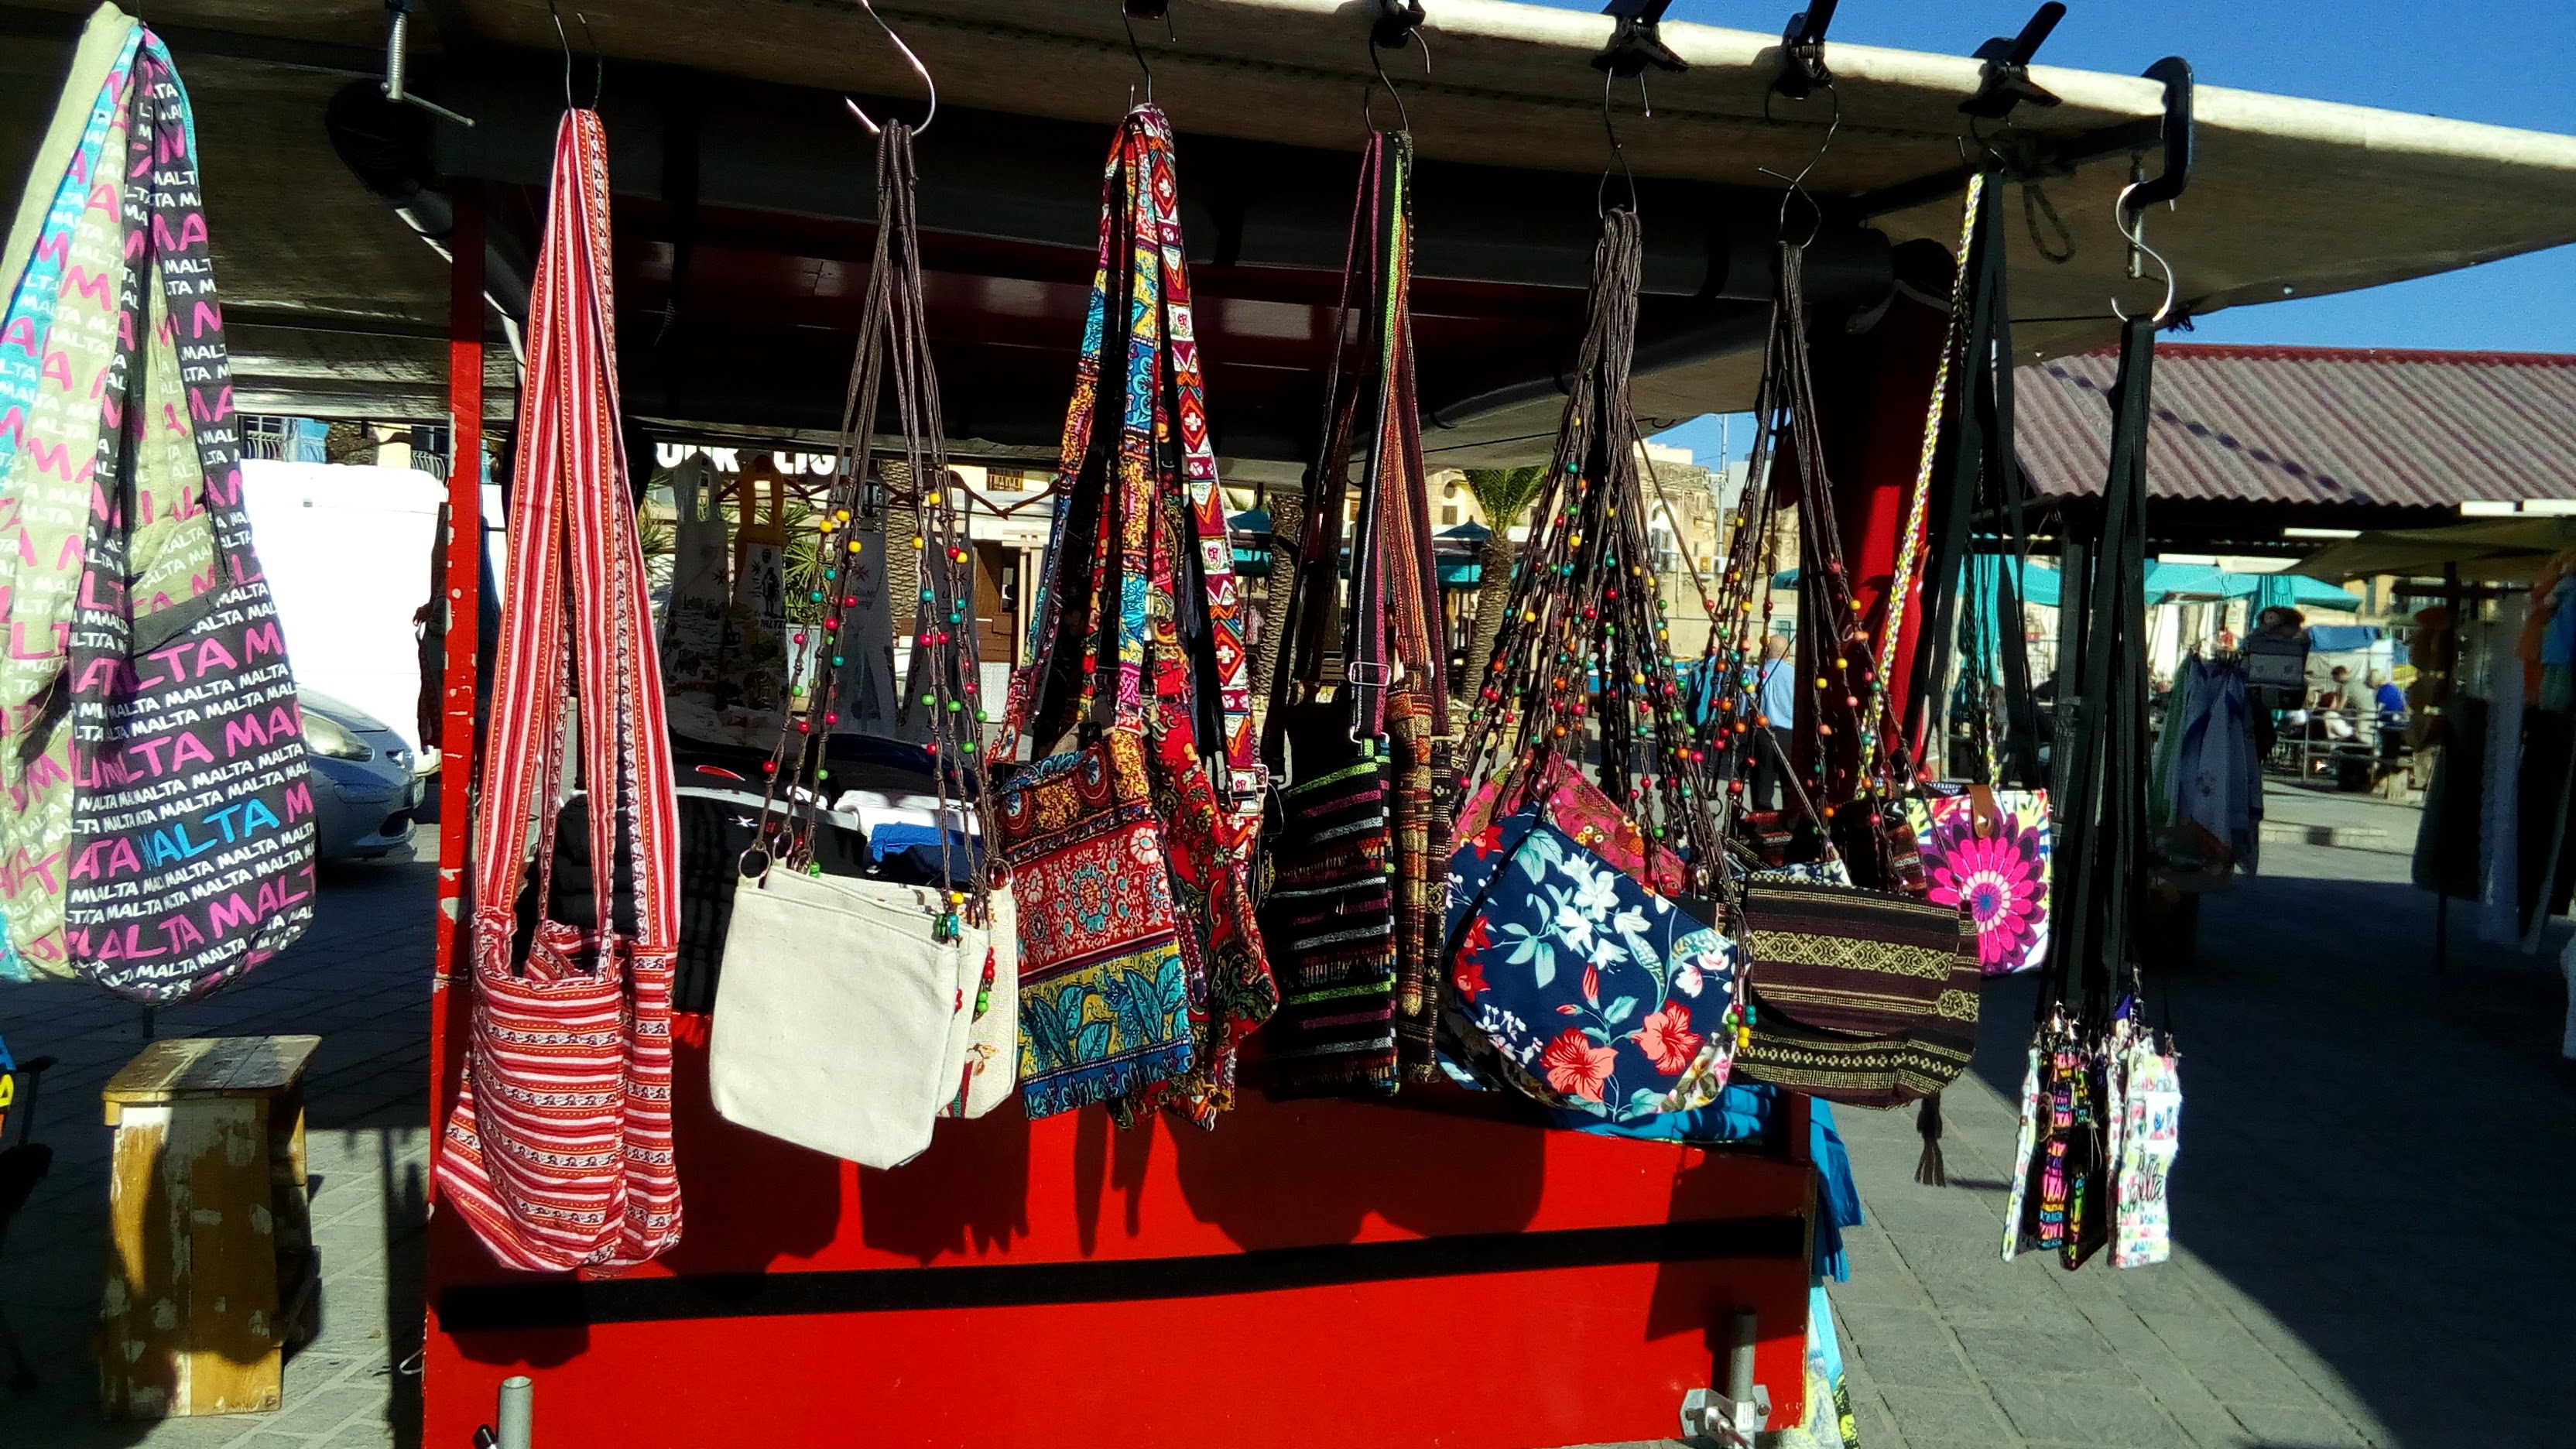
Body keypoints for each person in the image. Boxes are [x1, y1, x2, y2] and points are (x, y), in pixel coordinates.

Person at [1752, 634, 1797, 812]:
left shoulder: (1755, 674)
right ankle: (1791, 821)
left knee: (1762, 788)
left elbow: (1744, 709)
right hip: (1790, 736)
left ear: (1765, 651)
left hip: (1762, 734)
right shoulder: (1796, 675)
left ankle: (1763, 821)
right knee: (1791, 786)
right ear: (1788, 652)